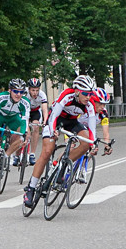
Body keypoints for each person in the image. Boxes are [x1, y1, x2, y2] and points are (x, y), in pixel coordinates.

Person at [23, 75, 99, 207]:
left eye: (90, 94)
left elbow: (92, 128)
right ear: (77, 91)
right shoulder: (67, 95)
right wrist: (53, 132)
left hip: (72, 122)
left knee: (86, 142)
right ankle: (31, 187)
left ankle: (62, 164)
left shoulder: (90, 104)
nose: (88, 97)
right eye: (86, 93)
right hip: (55, 120)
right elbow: (53, 117)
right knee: (47, 151)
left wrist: (93, 144)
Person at [25, 77, 48, 165]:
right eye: (33, 90)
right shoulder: (24, 93)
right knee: (25, 129)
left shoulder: (42, 94)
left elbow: (44, 109)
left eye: (37, 90)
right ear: (29, 89)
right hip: (25, 111)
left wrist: (45, 121)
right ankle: (19, 154)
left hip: (35, 112)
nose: (35, 93)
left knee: (35, 127)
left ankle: (32, 154)